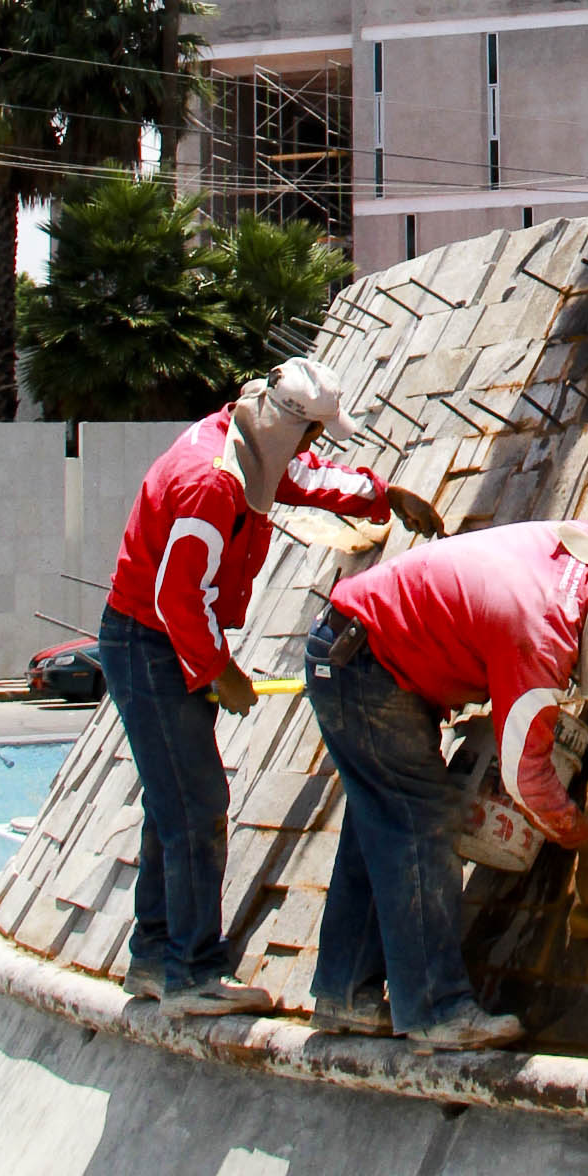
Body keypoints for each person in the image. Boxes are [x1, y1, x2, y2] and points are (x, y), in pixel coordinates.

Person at [100, 356, 441, 1016]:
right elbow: (177, 597)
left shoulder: (245, 443)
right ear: (295, 427)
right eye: (313, 434)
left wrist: (383, 495)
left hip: (154, 641)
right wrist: (219, 671)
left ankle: (154, 955)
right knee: (197, 806)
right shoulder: (211, 482)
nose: (312, 446)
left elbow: (302, 477)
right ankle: (191, 975)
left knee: (173, 804)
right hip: (151, 645)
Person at [303, 512, 588, 1049]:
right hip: (364, 664)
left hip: (356, 645)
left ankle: (344, 991)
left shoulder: (581, 554)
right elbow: (525, 779)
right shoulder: (541, 641)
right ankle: (436, 1010)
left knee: (381, 819)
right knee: (423, 821)